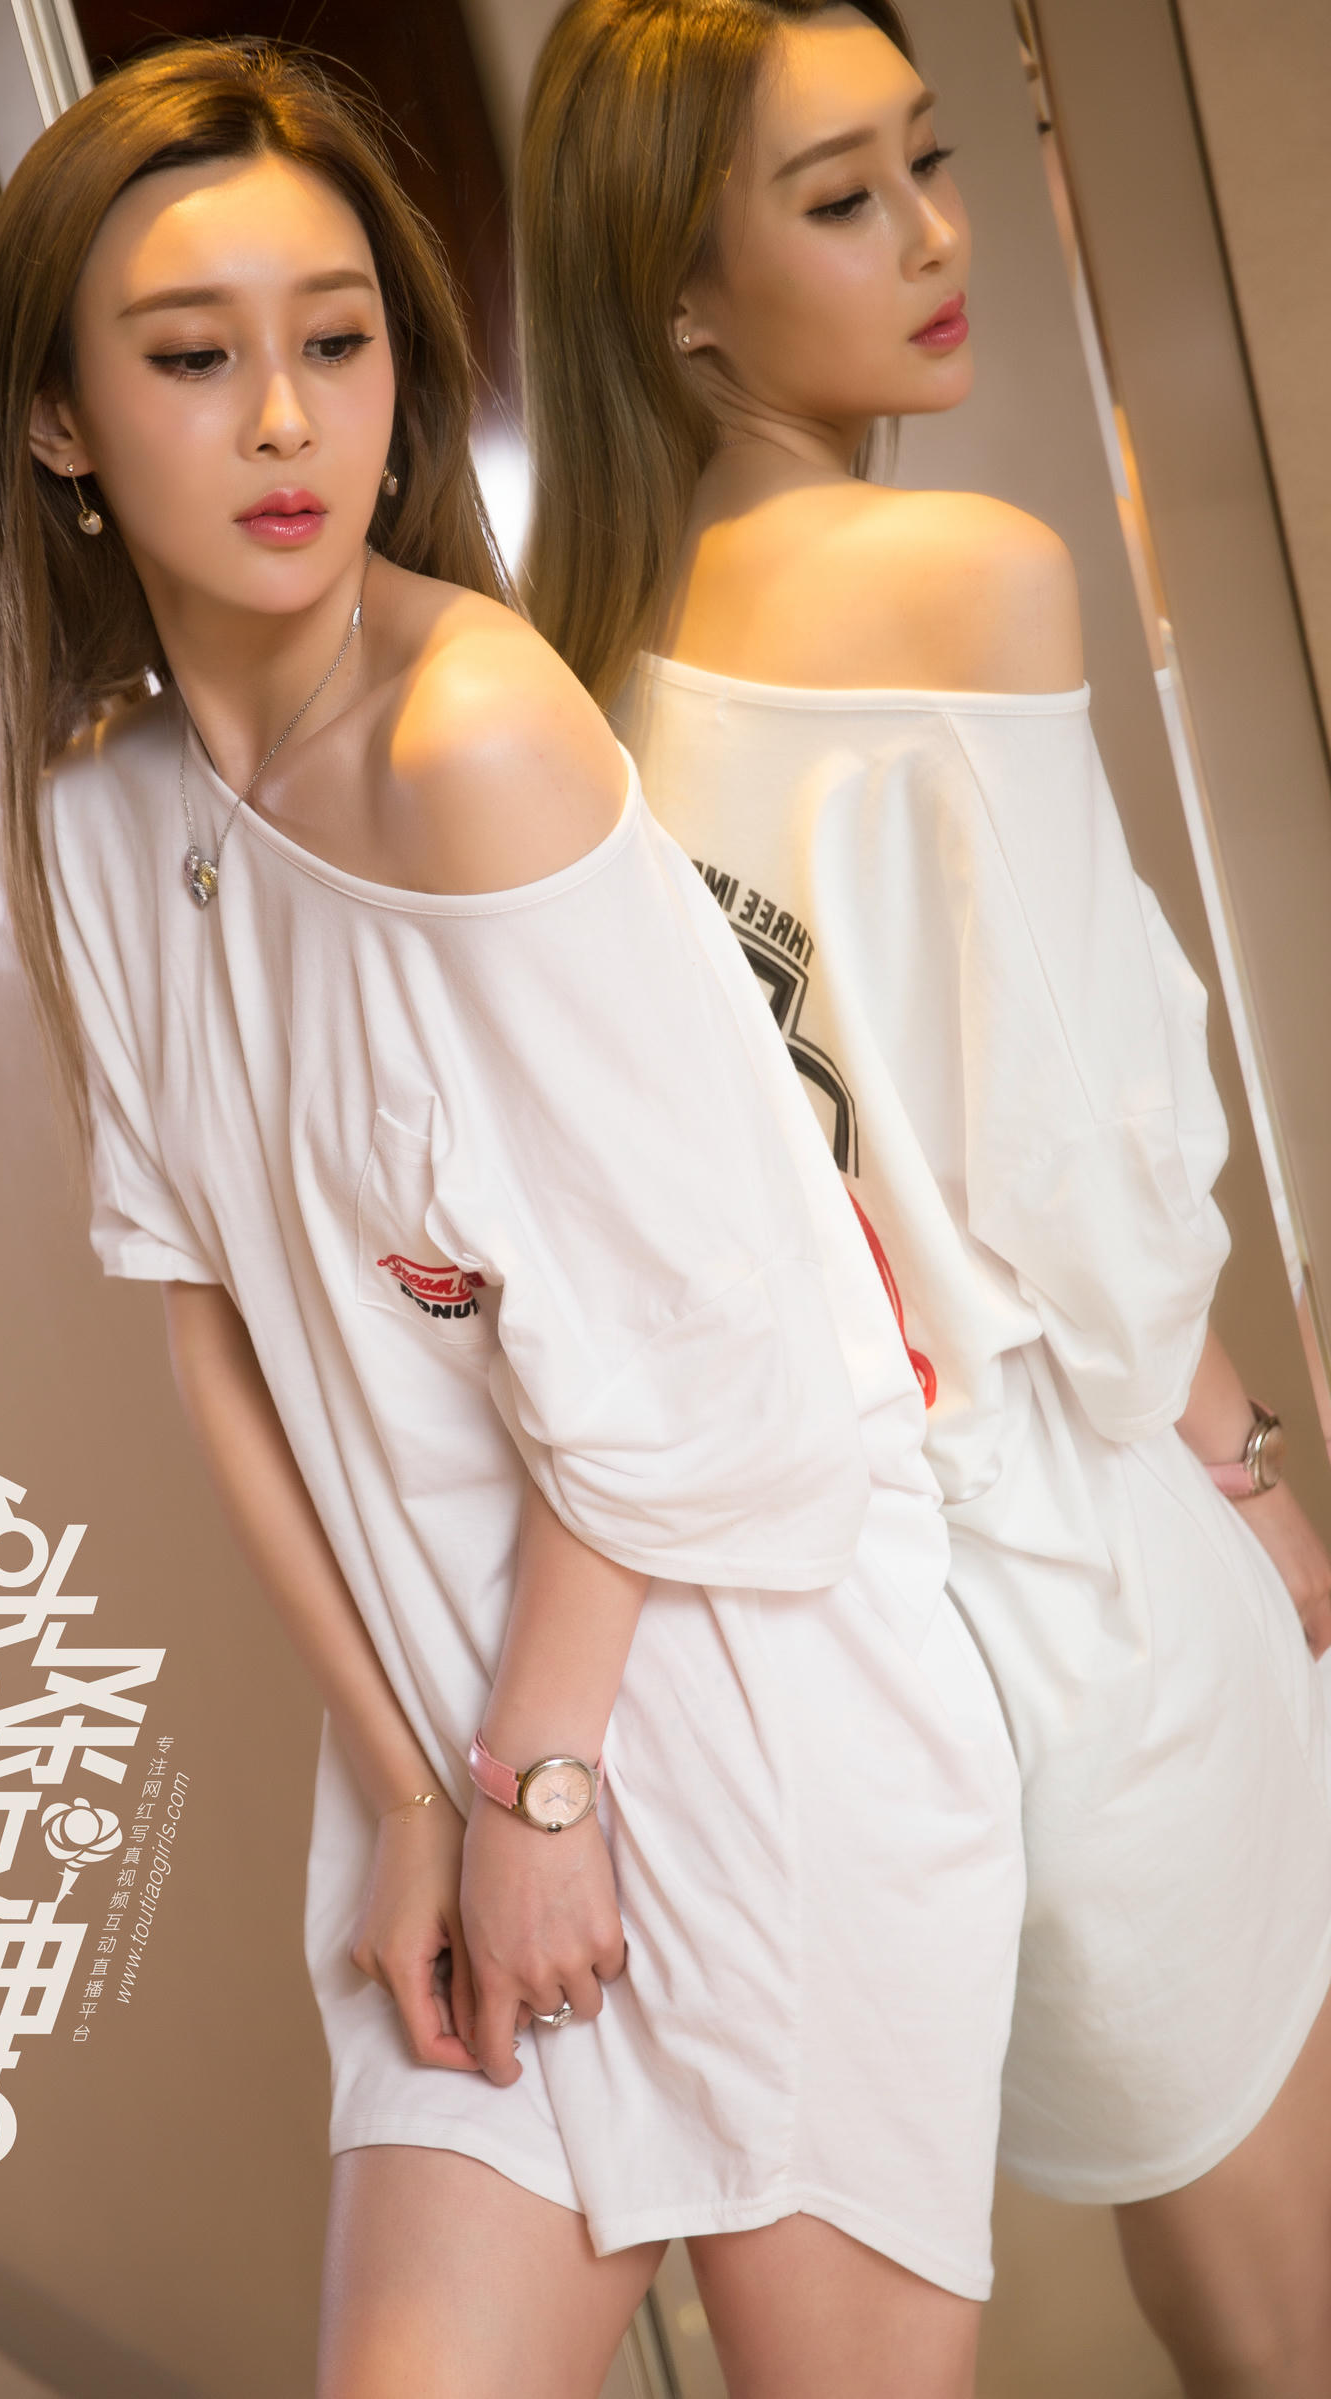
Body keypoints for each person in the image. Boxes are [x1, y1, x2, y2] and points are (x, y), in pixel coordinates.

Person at [0, 36, 1023, 2399]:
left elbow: (685, 1355)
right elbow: (222, 1339)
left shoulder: (478, 737)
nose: (282, 420)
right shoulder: (100, 807)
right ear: (57, 421)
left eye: (335, 340)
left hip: (746, 1710)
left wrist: (534, 1784)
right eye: (189, 357)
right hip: (457, 1753)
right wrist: (409, 1797)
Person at [515, 3, 1331, 2391]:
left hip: (828, 1644)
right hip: (1077, 1566)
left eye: (927, 160)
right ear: (678, 293)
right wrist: (1249, 1471)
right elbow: (1079, 1172)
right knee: (1273, 2305)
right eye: (839, 195)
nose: (932, 236)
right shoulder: (958, 574)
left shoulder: (558, 685)